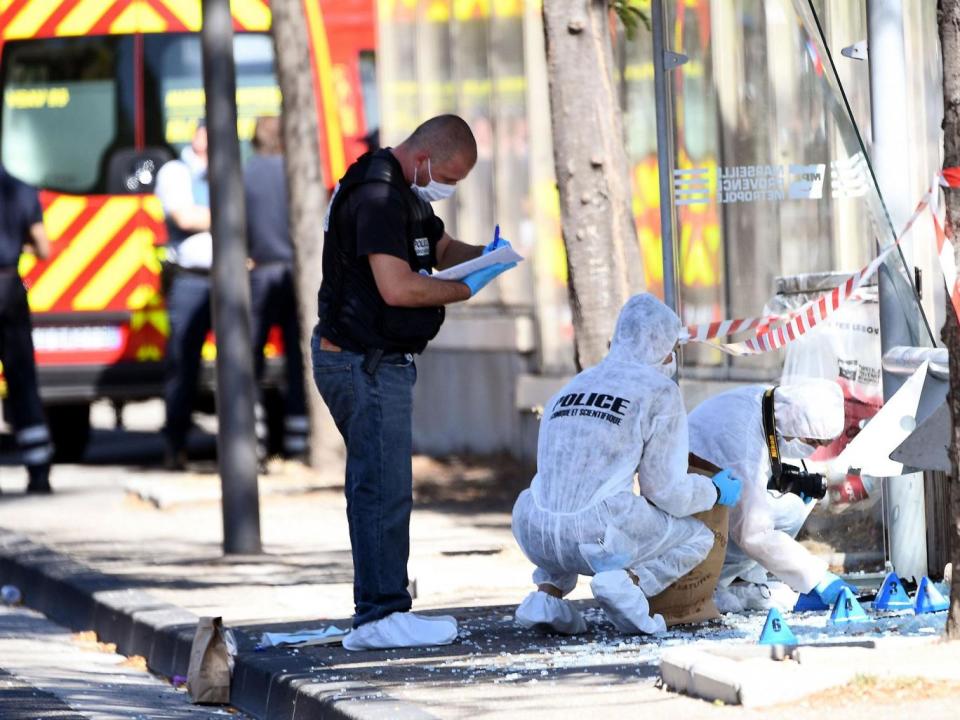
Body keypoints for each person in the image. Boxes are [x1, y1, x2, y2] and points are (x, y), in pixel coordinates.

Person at [313, 114, 517, 651]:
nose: (450, 188)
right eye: (449, 176)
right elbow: (398, 289)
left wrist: (491, 257)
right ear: (424, 158)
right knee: (382, 490)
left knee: (381, 485)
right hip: (364, 362)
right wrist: (464, 292)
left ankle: (382, 608)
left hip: (374, 360)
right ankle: (381, 615)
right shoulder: (379, 195)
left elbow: (441, 250)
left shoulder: (407, 194)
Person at [511, 294, 742, 636]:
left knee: (569, 502)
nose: (672, 358)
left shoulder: (573, 386)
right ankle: (627, 585)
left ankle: (548, 595)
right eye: (672, 349)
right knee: (697, 538)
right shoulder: (658, 392)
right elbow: (666, 491)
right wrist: (714, 490)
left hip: (534, 528)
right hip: (598, 536)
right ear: (662, 344)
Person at [687, 379, 854, 612]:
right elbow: (754, 532)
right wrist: (817, 577)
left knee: (790, 510)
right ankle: (715, 581)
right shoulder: (744, 442)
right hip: (692, 521)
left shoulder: (769, 404)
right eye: (812, 441)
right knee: (760, 523)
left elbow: (769, 453)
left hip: (707, 499)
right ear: (795, 423)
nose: (813, 449)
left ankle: (743, 579)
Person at [244, 116, 308, 461]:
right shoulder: (295, 172)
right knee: (298, 358)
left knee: (250, 357)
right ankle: (298, 439)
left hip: (259, 272)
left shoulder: (245, 173)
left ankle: (255, 439)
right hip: (295, 275)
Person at [155, 122, 212, 470]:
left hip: (230, 277)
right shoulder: (176, 172)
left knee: (245, 361)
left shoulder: (229, 167)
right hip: (190, 280)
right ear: (196, 136)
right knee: (182, 364)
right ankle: (175, 446)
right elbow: (184, 217)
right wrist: (230, 212)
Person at [0, 164, 54, 493]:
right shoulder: (21, 188)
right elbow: (44, 248)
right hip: (9, 288)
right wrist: (22, 247)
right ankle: (39, 471)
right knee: (23, 382)